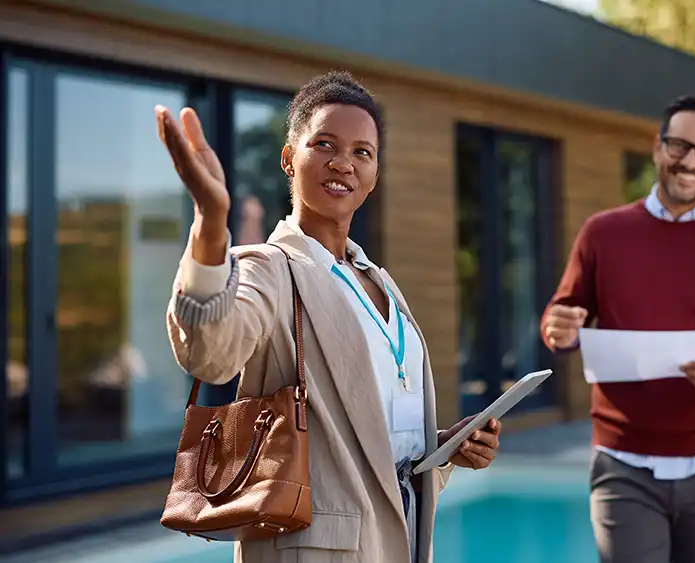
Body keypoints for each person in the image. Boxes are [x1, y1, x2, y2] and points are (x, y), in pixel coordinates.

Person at [156, 70, 502, 563]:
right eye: (324, 144)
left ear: (375, 173)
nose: (344, 163)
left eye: (363, 152)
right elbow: (209, 353)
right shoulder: (271, 268)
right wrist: (212, 223)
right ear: (288, 158)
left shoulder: (379, 282)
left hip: (397, 539)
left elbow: (368, 433)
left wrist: (444, 449)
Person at [540, 95, 695, 563]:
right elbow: (564, 311)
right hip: (623, 466)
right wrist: (560, 327)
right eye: (679, 145)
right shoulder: (602, 232)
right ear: (657, 147)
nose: (690, 161)